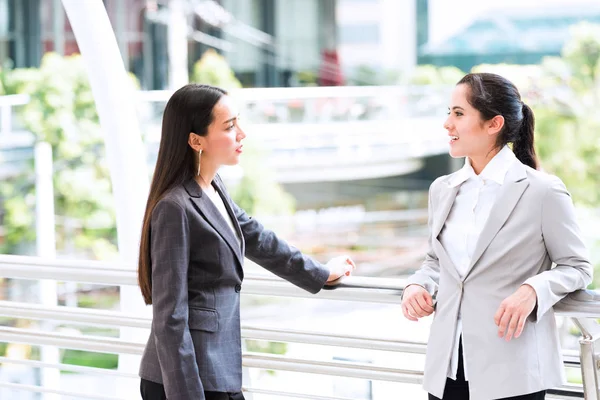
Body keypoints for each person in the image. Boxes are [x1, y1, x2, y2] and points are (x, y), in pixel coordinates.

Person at [137, 84, 356, 400]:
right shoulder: (175, 206)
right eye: (229, 126)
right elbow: (170, 318)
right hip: (186, 379)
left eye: (238, 122)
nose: (242, 133)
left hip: (214, 369)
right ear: (196, 140)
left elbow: (260, 240)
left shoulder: (212, 188)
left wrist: (321, 273)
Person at [401, 72, 592, 400]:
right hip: (446, 365)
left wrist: (533, 289)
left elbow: (577, 267)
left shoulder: (542, 191)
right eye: (449, 112)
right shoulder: (442, 189)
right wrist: (417, 284)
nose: (448, 124)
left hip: (512, 368)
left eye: (459, 114)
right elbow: (436, 261)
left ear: (494, 124)